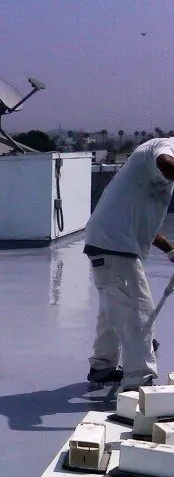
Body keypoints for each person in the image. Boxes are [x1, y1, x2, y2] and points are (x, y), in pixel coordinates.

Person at [84, 136, 174, 391]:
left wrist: (170, 250)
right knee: (137, 310)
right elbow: (165, 162)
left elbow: (143, 223)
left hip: (107, 240)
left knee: (113, 308)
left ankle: (103, 367)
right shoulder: (166, 147)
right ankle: (139, 381)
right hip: (115, 243)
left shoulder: (145, 170)